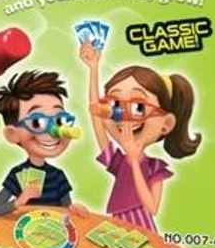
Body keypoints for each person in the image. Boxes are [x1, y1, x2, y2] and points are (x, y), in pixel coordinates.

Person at [79, 42, 201, 232]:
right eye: (115, 104)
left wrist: (135, 161)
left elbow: (152, 208)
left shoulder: (155, 168)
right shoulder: (119, 162)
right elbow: (96, 114)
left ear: (166, 124)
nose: (123, 115)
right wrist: (93, 68)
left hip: (143, 229)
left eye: (138, 107)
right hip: (118, 226)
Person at [0, 71, 88, 217]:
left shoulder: (57, 176)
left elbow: (66, 209)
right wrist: (19, 201)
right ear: (12, 134)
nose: (53, 131)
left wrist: (74, 208)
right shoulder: (17, 174)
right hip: (24, 227)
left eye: (60, 120)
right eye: (37, 122)